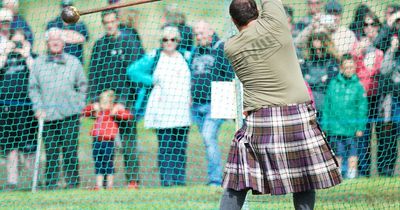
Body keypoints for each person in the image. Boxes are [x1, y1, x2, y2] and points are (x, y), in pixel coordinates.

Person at [220, 1, 342, 210]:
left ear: (233, 20)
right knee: (304, 177)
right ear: (258, 12)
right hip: (297, 114)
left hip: (260, 119)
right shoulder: (276, 23)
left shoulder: (230, 47)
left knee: (237, 181)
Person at [127, 26, 192, 187]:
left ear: (178, 41)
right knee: (165, 146)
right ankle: (166, 181)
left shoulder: (186, 56)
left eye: (172, 39)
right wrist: (151, 80)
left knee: (180, 147)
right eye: (165, 39)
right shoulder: (154, 56)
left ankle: (179, 181)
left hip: (182, 109)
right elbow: (132, 71)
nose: (169, 43)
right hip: (162, 109)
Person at [88, 9, 144, 189]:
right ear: (103, 24)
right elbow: (94, 75)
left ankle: (132, 181)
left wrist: (123, 102)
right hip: (104, 104)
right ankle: (103, 182)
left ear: (118, 21)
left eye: (112, 22)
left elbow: (134, 75)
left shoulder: (130, 43)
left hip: (124, 102)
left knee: (128, 144)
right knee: (102, 145)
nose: (110, 25)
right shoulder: (99, 45)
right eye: (106, 23)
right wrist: (95, 100)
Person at [29, 27, 87, 190]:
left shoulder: (73, 62)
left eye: (58, 39)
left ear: (64, 42)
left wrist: (79, 106)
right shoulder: (39, 63)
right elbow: (33, 88)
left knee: (70, 151)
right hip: (47, 116)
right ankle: (51, 185)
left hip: (70, 115)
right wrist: (38, 108)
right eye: (52, 40)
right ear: (47, 43)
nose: (55, 42)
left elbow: (82, 86)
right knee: (52, 153)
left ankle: (73, 184)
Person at [191, 20, 234, 187]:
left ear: (211, 31)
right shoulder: (196, 51)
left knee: (209, 137)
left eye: (201, 33)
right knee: (208, 139)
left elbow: (230, 74)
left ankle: (215, 180)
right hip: (197, 104)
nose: (198, 37)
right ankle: (216, 176)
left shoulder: (220, 49)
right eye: (196, 34)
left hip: (215, 103)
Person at [0, 10, 37, 190]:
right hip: (7, 108)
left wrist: (27, 54)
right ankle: (12, 181)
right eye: (14, 39)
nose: (16, 43)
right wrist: (5, 53)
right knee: (10, 147)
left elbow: (36, 72)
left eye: (20, 39)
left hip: (27, 108)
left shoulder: (30, 56)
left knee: (29, 148)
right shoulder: (5, 56)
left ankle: (33, 181)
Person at [322, 54, 368, 179]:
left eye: (351, 67)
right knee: (338, 153)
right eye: (346, 67)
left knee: (353, 152)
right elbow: (327, 106)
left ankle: (352, 176)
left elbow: (362, 108)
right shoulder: (333, 84)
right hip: (336, 127)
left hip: (352, 127)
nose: (349, 70)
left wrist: (360, 127)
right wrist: (325, 125)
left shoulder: (358, 86)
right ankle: (338, 176)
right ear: (341, 68)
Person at [350, 14, 383, 177]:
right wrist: (357, 52)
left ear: (378, 26)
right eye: (366, 24)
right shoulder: (358, 46)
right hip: (361, 99)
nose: (369, 27)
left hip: (379, 97)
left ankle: (384, 171)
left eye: (373, 24)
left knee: (382, 133)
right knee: (363, 135)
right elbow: (351, 67)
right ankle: (363, 171)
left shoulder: (382, 44)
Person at [83, 90, 133, 190]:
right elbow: (84, 112)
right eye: (102, 102)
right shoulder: (98, 112)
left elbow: (128, 116)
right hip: (96, 141)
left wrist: (118, 109)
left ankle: (110, 185)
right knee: (98, 163)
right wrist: (93, 107)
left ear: (111, 103)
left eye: (107, 102)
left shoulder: (112, 113)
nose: (104, 105)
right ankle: (99, 185)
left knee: (108, 163)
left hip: (108, 142)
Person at [376, 32, 400, 177]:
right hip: (394, 101)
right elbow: (384, 70)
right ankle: (388, 169)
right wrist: (392, 49)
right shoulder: (393, 54)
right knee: (390, 137)